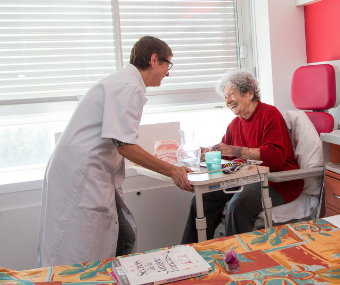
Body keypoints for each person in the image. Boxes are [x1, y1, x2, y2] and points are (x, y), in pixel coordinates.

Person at [37, 36, 193, 267]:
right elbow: (126, 146)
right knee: (78, 253)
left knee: (121, 236)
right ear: (153, 60)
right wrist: (173, 170)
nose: (167, 73)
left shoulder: (125, 82)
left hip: (86, 171)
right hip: (82, 176)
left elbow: (121, 140)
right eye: (167, 65)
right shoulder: (128, 86)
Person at [181, 70, 303, 244]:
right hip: (248, 179)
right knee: (202, 198)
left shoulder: (270, 114)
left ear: (249, 93)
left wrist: (234, 150)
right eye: (225, 97)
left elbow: (275, 158)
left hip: (278, 181)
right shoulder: (235, 124)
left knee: (238, 205)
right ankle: (193, 252)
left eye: (232, 94)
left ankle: (236, 258)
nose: (228, 100)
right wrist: (205, 153)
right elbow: (226, 153)